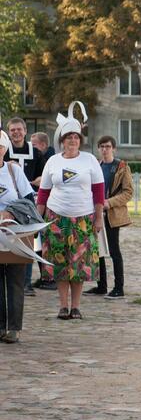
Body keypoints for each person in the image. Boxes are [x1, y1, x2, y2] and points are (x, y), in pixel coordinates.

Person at [36, 110, 105, 320]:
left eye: (76, 137)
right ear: (62, 141)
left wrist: (99, 216)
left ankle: (76, 306)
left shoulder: (90, 160)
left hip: (83, 219)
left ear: (79, 141)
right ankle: (63, 306)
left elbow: (99, 190)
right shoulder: (53, 162)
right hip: (56, 218)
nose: (73, 141)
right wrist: (37, 220)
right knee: (60, 263)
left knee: (78, 264)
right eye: (69, 138)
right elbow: (43, 193)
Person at [84, 136, 133, 298]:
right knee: (97, 250)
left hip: (112, 214)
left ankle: (119, 288)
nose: (104, 149)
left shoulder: (121, 167)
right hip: (95, 212)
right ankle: (101, 286)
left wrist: (109, 203)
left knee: (113, 250)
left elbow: (128, 192)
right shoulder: (95, 166)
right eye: (102, 146)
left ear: (114, 148)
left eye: (107, 146)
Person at [0, 130, 36, 344]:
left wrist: (10, 212)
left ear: (4, 150)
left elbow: (29, 200)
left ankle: (14, 328)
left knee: (14, 281)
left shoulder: (14, 171)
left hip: (14, 233)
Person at [5, 118, 45, 297]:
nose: (16, 133)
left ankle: (27, 283)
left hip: (30, 202)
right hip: (9, 205)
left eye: (19, 129)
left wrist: (39, 180)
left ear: (25, 131)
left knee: (30, 243)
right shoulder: (4, 151)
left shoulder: (36, 153)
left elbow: (45, 175)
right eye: (12, 130)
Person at [30, 131, 56, 292]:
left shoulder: (48, 160)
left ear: (43, 145)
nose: (31, 148)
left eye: (34, 145)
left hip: (46, 207)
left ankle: (50, 278)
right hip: (40, 204)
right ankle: (45, 276)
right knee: (37, 243)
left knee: (45, 243)